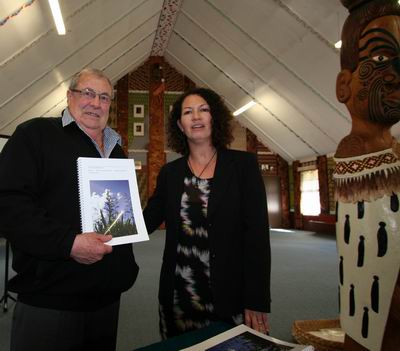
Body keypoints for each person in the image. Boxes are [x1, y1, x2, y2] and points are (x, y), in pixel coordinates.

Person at [0, 68, 139, 351]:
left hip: (107, 300)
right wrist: (68, 243)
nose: (95, 103)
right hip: (51, 301)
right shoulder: (34, 135)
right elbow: (7, 203)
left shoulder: (116, 150)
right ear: (69, 96)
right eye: (87, 93)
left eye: (104, 97)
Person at [143, 87, 271, 339]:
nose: (196, 116)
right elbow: (147, 220)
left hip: (230, 294)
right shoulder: (170, 173)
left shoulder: (243, 166)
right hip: (180, 294)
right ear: (180, 125)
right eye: (188, 112)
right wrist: (110, 221)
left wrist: (257, 299)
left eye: (203, 110)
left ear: (215, 118)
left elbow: (257, 237)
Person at [334, 1, 400, 350]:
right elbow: (373, 254)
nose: (395, 73)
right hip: (375, 309)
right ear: (343, 85)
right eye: (379, 61)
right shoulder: (356, 149)